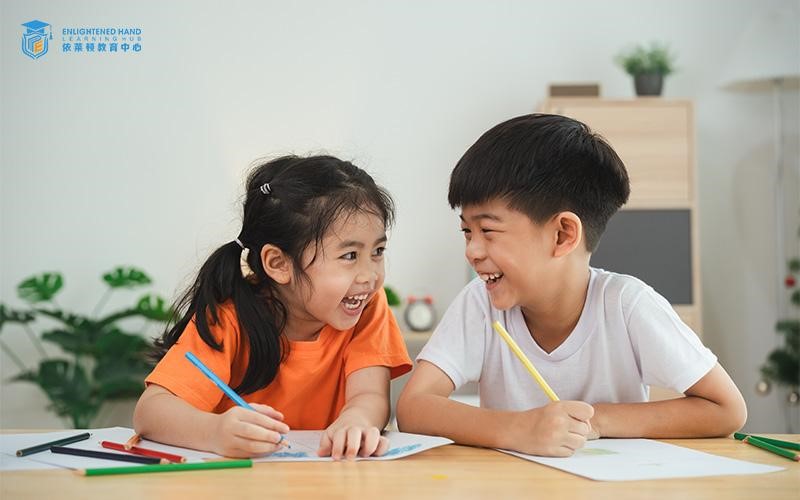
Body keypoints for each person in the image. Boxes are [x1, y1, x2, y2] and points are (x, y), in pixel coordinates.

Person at [397, 114, 747, 457]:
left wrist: (594, 421)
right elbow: (414, 408)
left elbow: (726, 409)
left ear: (563, 235)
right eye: (466, 232)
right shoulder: (479, 304)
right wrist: (519, 429)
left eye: (488, 231)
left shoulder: (627, 305)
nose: (471, 251)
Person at [134, 155, 412, 459]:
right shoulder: (228, 318)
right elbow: (151, 411)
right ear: (278, 264)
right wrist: (214, 432)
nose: (370, 276)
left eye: (378, 251)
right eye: (349, 256)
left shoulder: (367, 309)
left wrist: (357, 420)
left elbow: (369, 395)